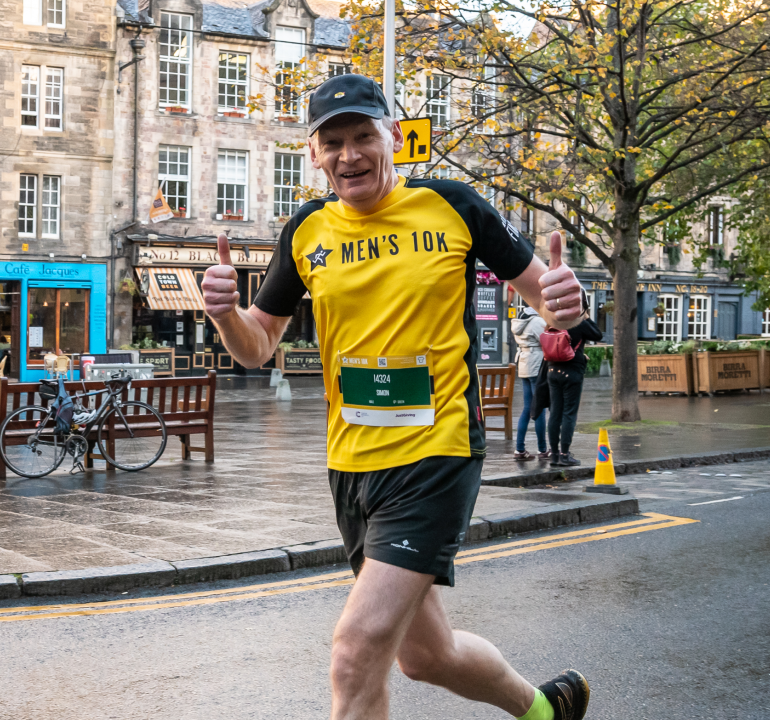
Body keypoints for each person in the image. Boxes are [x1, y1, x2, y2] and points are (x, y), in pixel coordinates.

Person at [201, 74, 589, 720]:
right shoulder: (305, 234)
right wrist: (224, 317)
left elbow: (545, 298)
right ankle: (544, 710)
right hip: (353, 468)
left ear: (393, 139)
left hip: (436, 455)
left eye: (362, 137)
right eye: (334, 143)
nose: (350, 155)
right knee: (424, 656)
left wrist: (565, 307)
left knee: (355, 651)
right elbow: (258, 345)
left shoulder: (454, 207)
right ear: (314, 155)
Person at [539, 298, 602, 467]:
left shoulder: (553, 320)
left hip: (552, 371)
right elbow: (598, 334)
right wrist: (586, 317)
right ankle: (565, 454)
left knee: (555, 413)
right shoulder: (577, 322)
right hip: (572, 372)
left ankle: (554, 455)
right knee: (569, 413)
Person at [511, 306, 549, 460]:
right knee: (539, 408)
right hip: (536, 364)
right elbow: (547, 341)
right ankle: (542, 449)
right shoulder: (537, 321)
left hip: (523, 363)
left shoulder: (519, 321)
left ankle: (519, 449)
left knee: (527, 408)